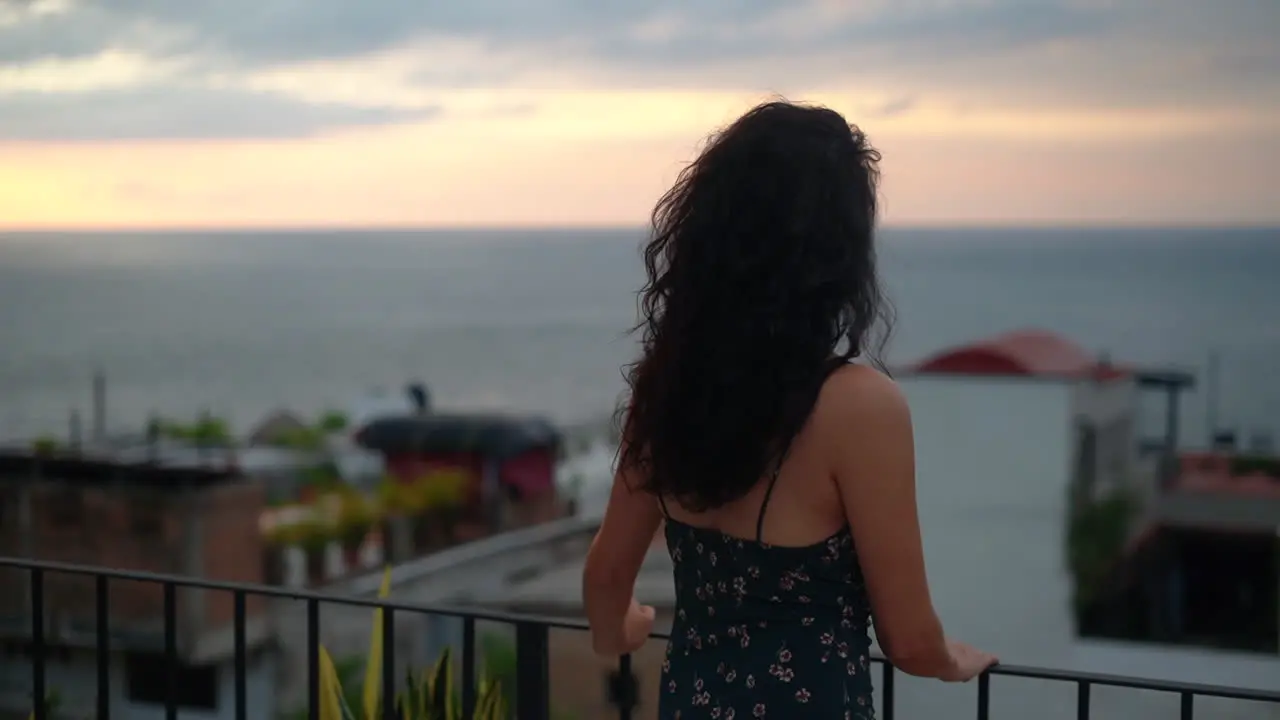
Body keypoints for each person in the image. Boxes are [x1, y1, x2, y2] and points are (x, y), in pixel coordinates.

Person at [582, 100, 997, 718]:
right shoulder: (859, 407)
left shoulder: (669, 389)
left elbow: (606, 579)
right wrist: (955, 660)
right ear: (838, 254)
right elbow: (909, 642)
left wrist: (623, 631)